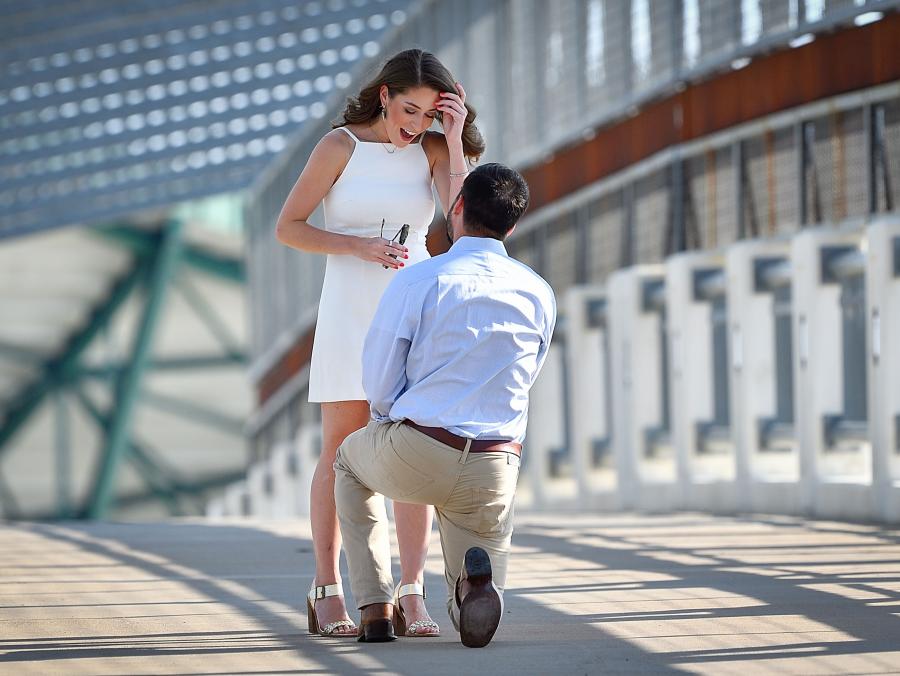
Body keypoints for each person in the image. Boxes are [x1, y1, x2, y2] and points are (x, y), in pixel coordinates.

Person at [274, 49, 485, 637]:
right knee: (340, 448)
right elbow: (287, 227)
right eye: (409, 108)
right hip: (348, 305)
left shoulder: (436, 148)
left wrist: (454, 132)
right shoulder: (338, 146)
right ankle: (327, 588)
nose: (414, 123)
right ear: (385, 95)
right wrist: (355, 247)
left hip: (412, 306)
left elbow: (463, 223)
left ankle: (412, 592)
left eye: (428, 112)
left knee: (410, 445)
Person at [333, 163, 557, 646]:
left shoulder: (418, 280)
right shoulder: (538, 290)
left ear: (456, 209)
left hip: (420, 446)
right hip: (495, 461)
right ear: (512, 226)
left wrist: (391, 424)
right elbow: (528, 372)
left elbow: (381, 378)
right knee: (475, 575)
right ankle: (470, 590)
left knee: (349, 463)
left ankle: (375, 606)